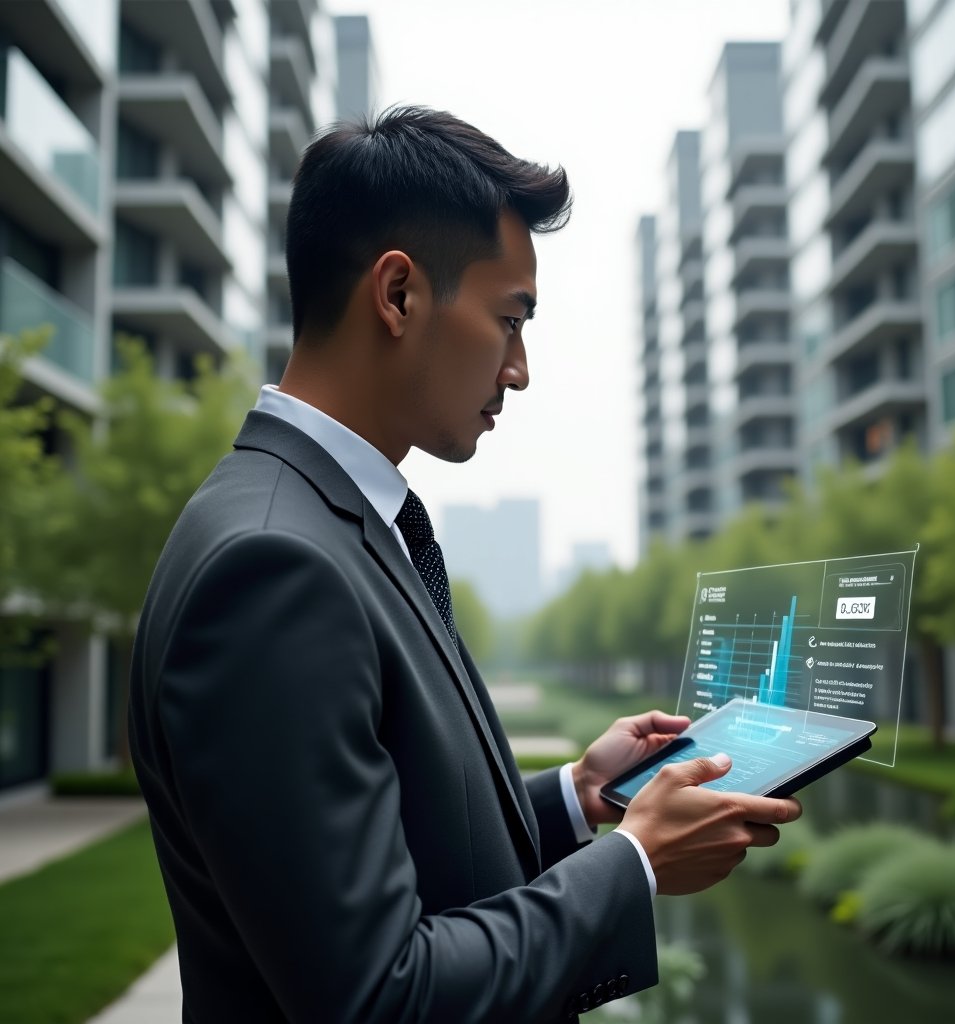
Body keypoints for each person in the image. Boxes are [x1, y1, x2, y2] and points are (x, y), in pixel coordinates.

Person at [128, 106, 801, 1024]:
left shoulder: (331, 523)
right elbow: (379, 998)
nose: (518, 369)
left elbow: (395, 828)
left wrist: (577, 798)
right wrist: (635, 864)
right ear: (398, 294)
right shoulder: (273, 569)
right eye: (510, 320)